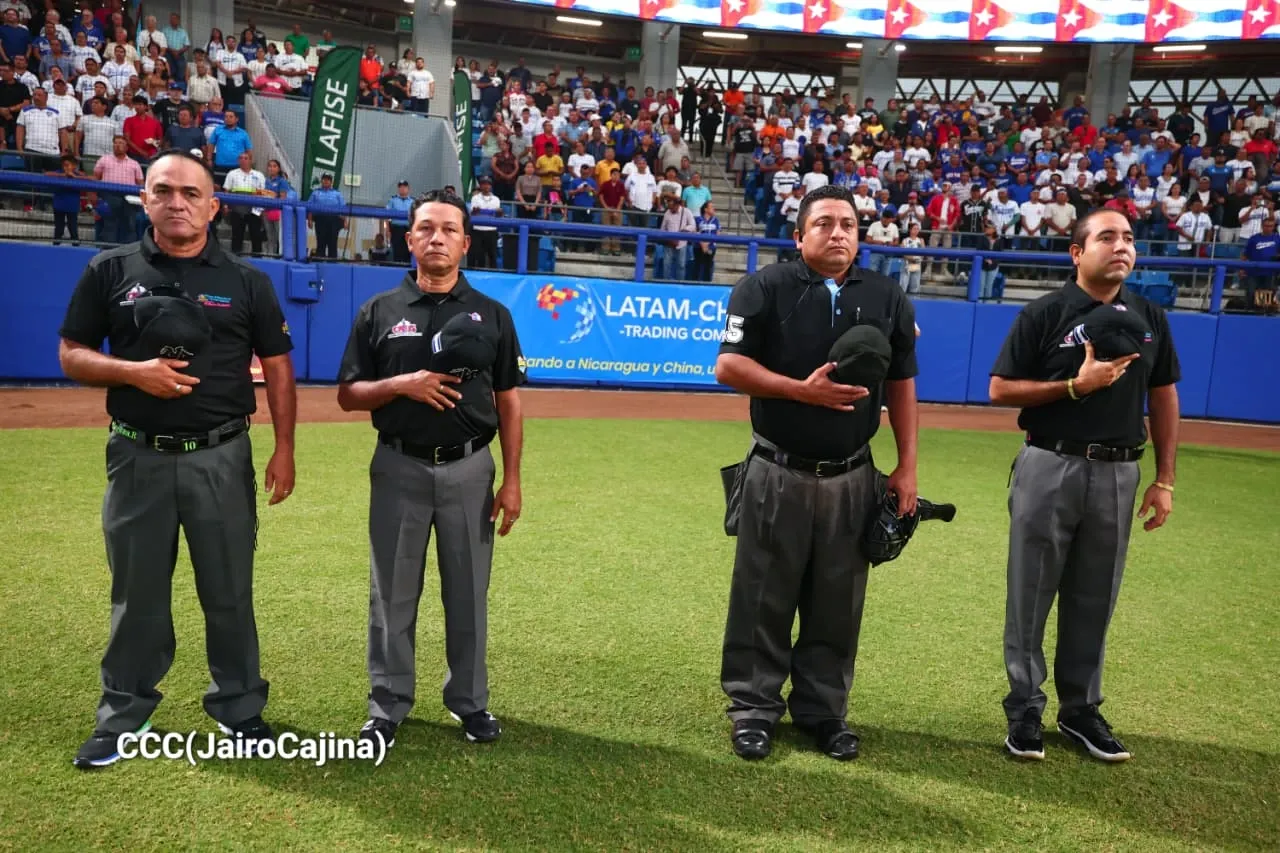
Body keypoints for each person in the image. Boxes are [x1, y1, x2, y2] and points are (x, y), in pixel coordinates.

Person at [57, 149, 297, 769]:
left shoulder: (248, 281)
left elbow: (277, 367)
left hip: (222, 456)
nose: (178, 202)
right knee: (136, 595)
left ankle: (241, 710)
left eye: (192, 193)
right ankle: (121, 717)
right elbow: (72, 354)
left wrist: (285, 448)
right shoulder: (110, 270)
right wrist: (134, 373)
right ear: (145, 198)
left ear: (214, 205)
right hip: (137, 456)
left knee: (229, 591)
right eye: (164, 190)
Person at [714, 184, 920, 762]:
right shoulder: (763, 288)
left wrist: (906, 465)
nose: (838, 233)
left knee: (839, 598)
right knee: (762, 594)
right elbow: (727, 365)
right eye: (825, 223)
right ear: (799, 234)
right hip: (778, 467)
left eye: (849, 224)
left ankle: (823, 712)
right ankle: (752, 709)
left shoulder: (887, 295)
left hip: (855, 474)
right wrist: (801, 393)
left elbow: (901, 384)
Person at [336, 190, 527, 750]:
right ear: (409, 238)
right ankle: (387, 705)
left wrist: (511, 478)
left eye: (449, 229)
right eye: (426, 228)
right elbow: (349, 395)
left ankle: (469, 702)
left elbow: (510, 400)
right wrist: (401, 384)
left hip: (471, 470)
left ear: (466, 242)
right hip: (398, 466)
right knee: (391, 593)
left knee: (467, 593)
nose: (437, 237)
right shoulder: (379, 310)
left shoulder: (493, 315)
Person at [989, 208, 1180, 764]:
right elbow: (1001, 389)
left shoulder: (1150, 316)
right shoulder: (1046, 313)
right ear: (1077, 252)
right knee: (1032, 590)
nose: (1120, 246)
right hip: (1051, 463)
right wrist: (1075, 386)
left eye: (1127, 238)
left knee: (1097, 593)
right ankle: (1025, 705)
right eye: (1105, 237)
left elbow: (1163, 395)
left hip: (1121, 470)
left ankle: (1080, 709)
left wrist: (1164, 479)